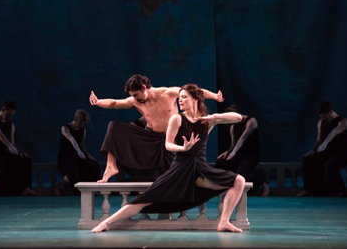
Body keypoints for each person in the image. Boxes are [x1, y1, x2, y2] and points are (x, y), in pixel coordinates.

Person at [92, 83, 245, 233]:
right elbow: (168, 145)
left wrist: (214, 116)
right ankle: (106, 223)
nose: (180, 100)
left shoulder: (206, 121)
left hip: (200, 168)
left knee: (239, 181)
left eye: (184, 97)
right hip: (180, 166)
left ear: (195, 100)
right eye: (180, 97)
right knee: (145, 199)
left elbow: (237, 118)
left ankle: (223, 222)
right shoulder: (177, 119)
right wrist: (183, 148)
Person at [89, 74, 224, 182]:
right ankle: (111, 167)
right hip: (150, 137)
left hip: (171, 139)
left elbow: (195, 92)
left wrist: (214, 96)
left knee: (171, 176)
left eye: (136, 94)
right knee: (114, 127)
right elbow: (114, 103)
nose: (134, 98)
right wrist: (98, 102)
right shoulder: (135, 101)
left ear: (143, 87)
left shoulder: (168, 93)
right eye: (132, 96)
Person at [0, 101, 36, 197]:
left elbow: (12, 143)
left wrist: (18, 152)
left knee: (25, 159)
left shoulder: (11, 125)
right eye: (8, 114)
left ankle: (26, 188)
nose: (9, 117)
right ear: (3, 110)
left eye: (11, 115)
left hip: (2, 153)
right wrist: (8, 145)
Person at [297, 101, 347, 197]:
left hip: (341, 154)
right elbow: (319, 140)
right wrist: (313, 150)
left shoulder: (343, 122)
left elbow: (334, 132)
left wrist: (325, 143)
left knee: (330, 164)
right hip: (327, 153)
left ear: (330, 112)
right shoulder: (321, 122)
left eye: (325, 116)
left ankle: (339, 191)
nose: (324, 119)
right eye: (322, 117)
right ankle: (309, 189)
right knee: (307, 159)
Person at [215, 104, 269, 196]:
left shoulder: (251, 121)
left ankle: (263, 183)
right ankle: (222, 188)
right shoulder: (233, 127)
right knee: (220, 162)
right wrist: (227, 152)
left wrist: (233, 152)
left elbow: (242, 138)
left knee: (241, 173)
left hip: (251, 154)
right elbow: (233, 144)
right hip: (239, 153)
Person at [57, 109, 101, 194]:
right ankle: (58, 185)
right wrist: (79, 152)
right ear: (76, 120)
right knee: (72, 175)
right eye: (80, 123)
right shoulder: (65, 128)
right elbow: (72, 140)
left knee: (94, 165)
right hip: (65, 157)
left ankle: (95, 189)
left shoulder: (83, 131)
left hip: (77, 156)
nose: (81, 125)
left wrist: (88, 155)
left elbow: (82, 146)